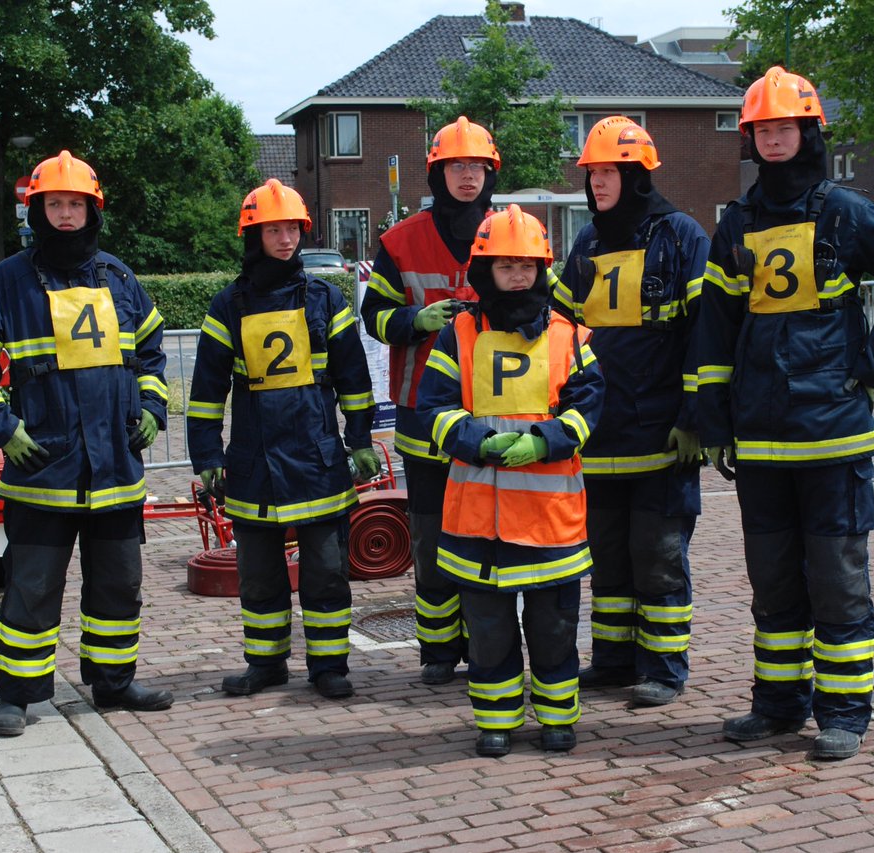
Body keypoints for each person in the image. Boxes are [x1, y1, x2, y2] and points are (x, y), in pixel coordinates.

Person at [696, 67, 874, 760]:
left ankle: (843, 713)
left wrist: (872, 363)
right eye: (764, 129)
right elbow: (716, 324)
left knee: (835, 580)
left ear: (809, 132)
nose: (774, 139)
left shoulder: (847, 211)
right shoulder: (737, 223)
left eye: (786, 127)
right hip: (763, 438)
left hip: (832, 437)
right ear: (751, 139)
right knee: (772, 583)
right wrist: (712, 415)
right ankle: (776, 706)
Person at [0, 150, 174, 737]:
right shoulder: (7, 282)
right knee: (32, 588)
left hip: (116, 468)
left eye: (76, 204)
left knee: (119, 584)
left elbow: (150, 356)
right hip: (43, 465)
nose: (67, 214)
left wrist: (151, 406)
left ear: (92, 209)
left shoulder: (120, 278)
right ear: (37, 210)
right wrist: (2, 426)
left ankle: (114, 683)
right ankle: (16, 697)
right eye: (56, 204)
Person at [416, 205, 605, 757]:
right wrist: (477, 442)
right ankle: (495, 720)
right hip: (480, 522)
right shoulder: (459, 333)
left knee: (553, 629)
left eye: (527, 264)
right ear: (485, 271)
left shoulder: (569, 335)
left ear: (543, 268)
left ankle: (556, 718)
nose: (518, 275)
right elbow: (435, 408)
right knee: (490, 632)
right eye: (506, 265)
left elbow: (590, 406)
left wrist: (543, 441)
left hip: (549, 524)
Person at [187, 178, 378, 701]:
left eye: (293, 227)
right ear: (254, 234)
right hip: (252, 459)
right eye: (274, 228)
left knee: (326, 570)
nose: (286, 238)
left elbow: (352, 377)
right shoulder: (228, 305)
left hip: (317, 453)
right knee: (260, 574)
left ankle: (329, 666)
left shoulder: (326, 298)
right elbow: (206, 390)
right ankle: (266, 663)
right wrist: (206, 455)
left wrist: (360, 437)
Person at [553, 116, 710, 707]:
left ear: (637, 175)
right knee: (609, 557)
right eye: (591, 173)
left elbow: (704, 330)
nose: (596, 183)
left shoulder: (681, 235)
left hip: (661, 430)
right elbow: (560, 328)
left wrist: (697, 413)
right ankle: (615, 661)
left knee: (659, 556)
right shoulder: (589, 242)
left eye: (607, 172)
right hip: (601, 431)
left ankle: (665, 667)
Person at [361, 116, 499, 685]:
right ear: (438, 173)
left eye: (476, 167)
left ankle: (489, 646)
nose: (466, 176)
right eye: (455, 167)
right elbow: (373, 317)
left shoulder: (512, 232)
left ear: (489, 175)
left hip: (496, 411)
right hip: (422, 417)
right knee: (430, 536)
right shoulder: (401, 240)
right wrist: (415, 319)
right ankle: (439, 652)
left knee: (488, 535)